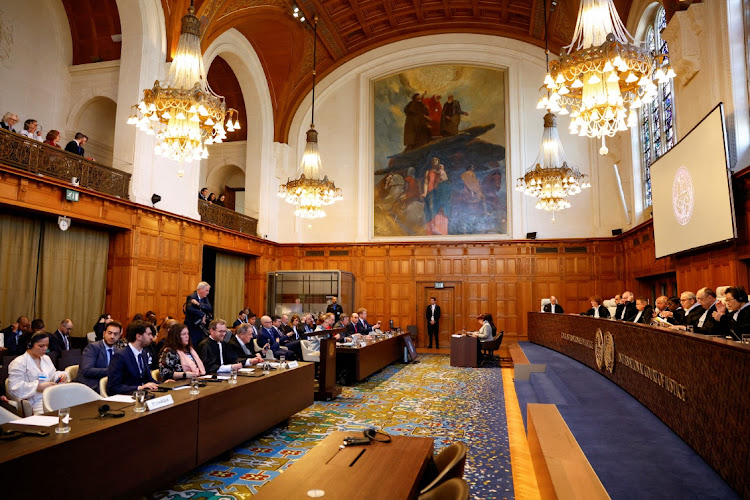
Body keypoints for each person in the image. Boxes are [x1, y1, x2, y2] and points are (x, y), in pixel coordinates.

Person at [8, 332, 68, 414]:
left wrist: (60, 376)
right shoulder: (18, 363)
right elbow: (14, 388)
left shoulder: (46, 358)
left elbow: (52, 374)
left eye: (47, 345)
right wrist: (37, 387)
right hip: (36, 401)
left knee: (68, 411)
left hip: (52, 396)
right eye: (41, 346)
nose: (45, 349)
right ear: (30, 345)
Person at [107, 320, 159, 395]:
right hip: (127, 398)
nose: (152, 337)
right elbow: (113, 388)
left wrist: (164, 384)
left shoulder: (143, 354)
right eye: (149, 334)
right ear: (138, 336)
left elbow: (149, 380)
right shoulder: (120, 356)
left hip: (143, 395)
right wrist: (139, 388)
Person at [77, 321, 122, 390]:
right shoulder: (92, 348)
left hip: (110, 386)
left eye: (115, 334)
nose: (112, 337)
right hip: (91, 386)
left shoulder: (118, 351)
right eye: (109, 333)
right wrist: (111, 371)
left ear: (119, 336)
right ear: (104, 334)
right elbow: (87, 370)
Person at [422, 157, 451, 235]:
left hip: (440, 192)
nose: (434, 162)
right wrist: (425, 192)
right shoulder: (428, 172)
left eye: (436, 160)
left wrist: (442, 171)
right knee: (432, 207)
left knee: (441, 208)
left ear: (438, 161)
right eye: (433, 161)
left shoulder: (441, 171)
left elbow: (446, 181)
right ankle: (433, 227)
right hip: (431, 192)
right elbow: (426, 182)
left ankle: (440, 228)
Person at [184, 281, 213, 347]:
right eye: (206, 290)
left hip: (201, 327)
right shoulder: (192, 297)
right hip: (192, 326)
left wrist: (198, 304)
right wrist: (202, 314)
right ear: (200, 290)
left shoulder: (205, 298)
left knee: (201, 344)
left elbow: (209, 308)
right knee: (193, 344)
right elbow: (189, 309)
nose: (208, 293)